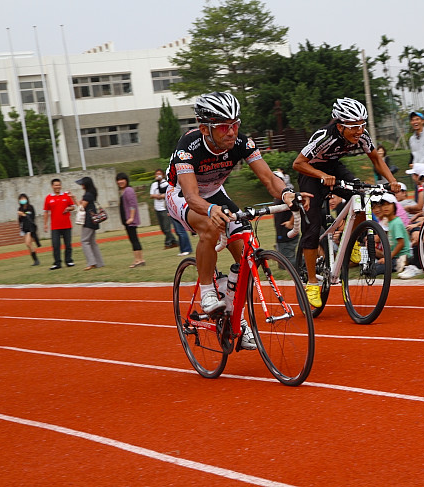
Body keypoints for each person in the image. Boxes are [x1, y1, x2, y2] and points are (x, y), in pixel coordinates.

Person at [166, 92, 302, 350]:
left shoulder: (242, 142)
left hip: (216, 192)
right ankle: (207, 292)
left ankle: (235, 317)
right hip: (183, 195)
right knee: (211, 224)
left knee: (246, 256)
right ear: (204, 127)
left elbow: (268, 178)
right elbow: (193, 196)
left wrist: (285, 193)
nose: (231, 132)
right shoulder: (188, 148)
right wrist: (209, 210)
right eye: (224, 126)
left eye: (235, 125)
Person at [293, 97, 400, 307]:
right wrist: (320, 175)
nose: (359, 131)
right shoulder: (324, 137)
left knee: (361, 195)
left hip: (334, 167)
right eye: (353, 127)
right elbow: (298, 163)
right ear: (340, 126)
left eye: (362, 125)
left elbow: (376, 159)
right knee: (312, 228)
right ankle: (312, 283)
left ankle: (351, 242)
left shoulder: (362, 135)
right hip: (311, 173)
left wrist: (393, 180)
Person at [372, 193, 411, 275]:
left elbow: (401, 243)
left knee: (374, 270)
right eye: (383, 205)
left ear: (394, 206)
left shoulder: (396, 222)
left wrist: (388, 258)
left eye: (388, 204)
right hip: (395, 256)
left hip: (402, 255)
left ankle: (401, 264)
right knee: (372, 267)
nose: (385, 207)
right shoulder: (389, 222)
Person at [43, 178, 76, 270]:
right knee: (56, 245)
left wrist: (68, 209)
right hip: (55, 226)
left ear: (61, 186)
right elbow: (46, 212)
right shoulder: (48, 198)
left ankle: (69, 261)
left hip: (66, 224)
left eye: (59, 185)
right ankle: (57, 263)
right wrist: (45, 224)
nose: (57, 187)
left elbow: (73, 207)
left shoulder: (66, 196)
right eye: (55, 185)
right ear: (52, 186)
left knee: (68, 244)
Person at [116, 173, 145, 268]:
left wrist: (131, 218)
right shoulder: (123, 191)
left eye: (122, 179)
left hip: (130, 220)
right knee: (133, 239)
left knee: (134, 240)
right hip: (127, 220)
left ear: (126, 180)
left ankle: (138, 260)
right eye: (118, 180)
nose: (120, 182)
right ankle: (140, 259)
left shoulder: (128, 190)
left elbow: (132, 204)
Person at [76, 177, 105, 270]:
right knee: (92, 242)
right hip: (93, 220)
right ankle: (99, 262)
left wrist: (73, 199)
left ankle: (91, 263)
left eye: (82, 184)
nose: (81, 185)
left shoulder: (87, 195)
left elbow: (81, 207)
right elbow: (81, 204)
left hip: (88, 220)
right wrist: (74, 199)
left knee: (84, 241)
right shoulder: (92, 193)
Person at [150, 168, 179, 250]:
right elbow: (151, 195)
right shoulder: (154, 185)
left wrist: (162, 196)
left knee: (167, 227)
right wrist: (158, 196)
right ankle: (174, 242)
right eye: (156, 174)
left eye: (159, 173)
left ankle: (168, 243)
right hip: (157, 208)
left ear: (162, 175)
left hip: (164, 207)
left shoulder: (166, 183)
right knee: (163, 228)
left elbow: (169, 194)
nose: (158, 175)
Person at [17, 194, 41, 266]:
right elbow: (20, 220)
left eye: (24, 198)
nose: (23, 200)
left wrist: (24, 214)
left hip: (30, 228)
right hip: (24, 228)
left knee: (28, 243)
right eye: (21, 199)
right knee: (29, 245)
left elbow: (32, 217)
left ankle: (36, 259)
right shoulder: (20, 209)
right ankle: (35, 260)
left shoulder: (30, 207)